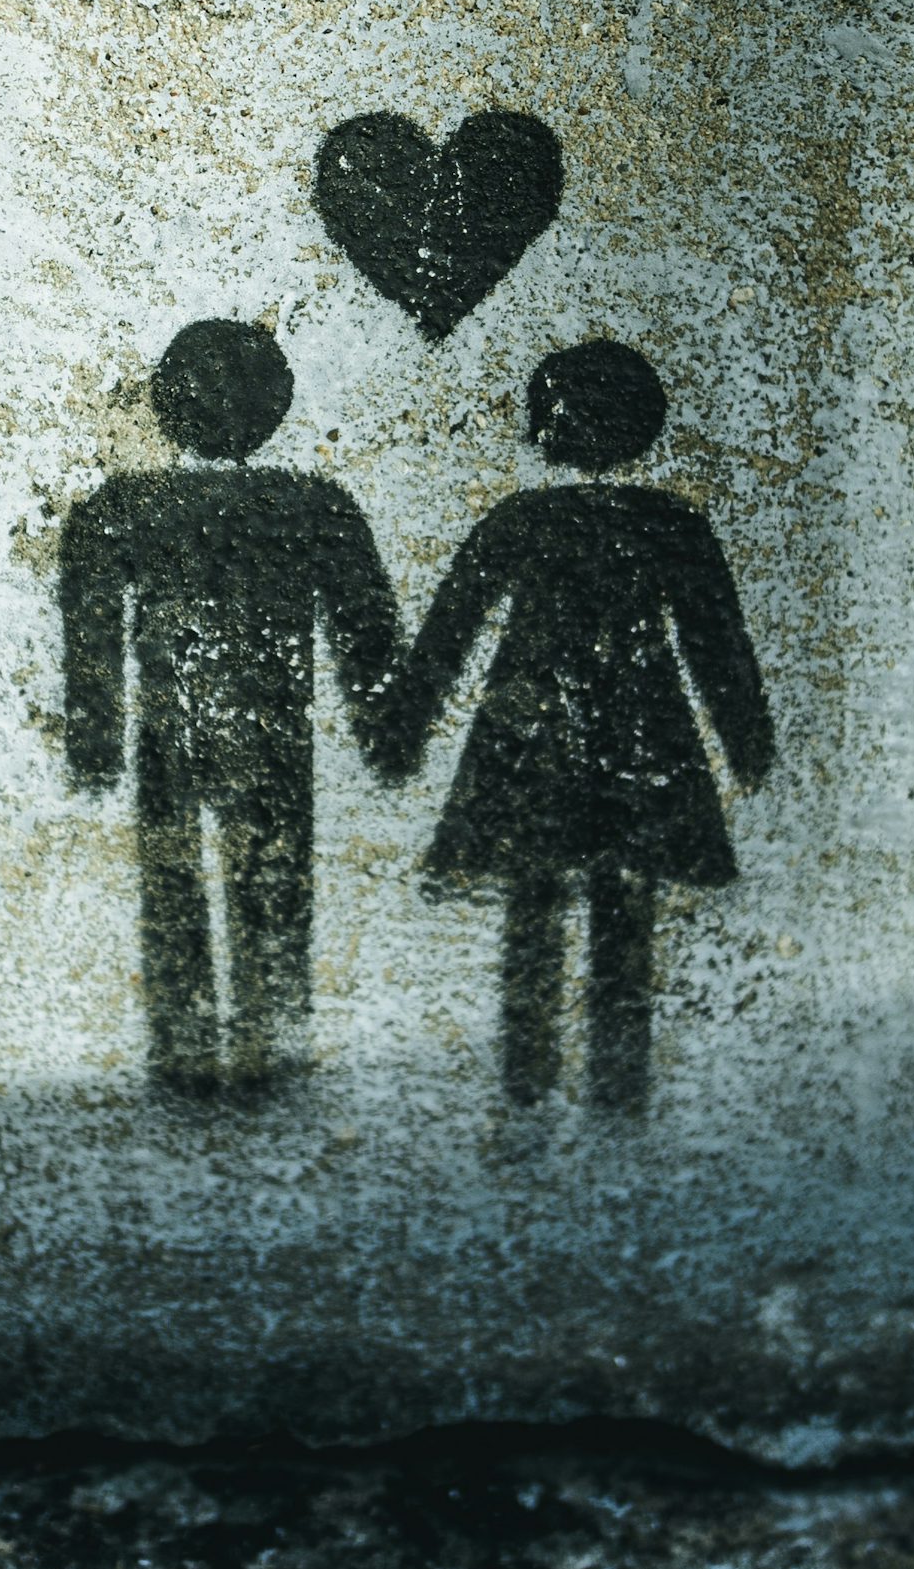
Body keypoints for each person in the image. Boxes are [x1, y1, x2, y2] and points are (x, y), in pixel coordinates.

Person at [377, 341, 771, 1112]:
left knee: (534, 908)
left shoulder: (520, 520)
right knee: (623, 909)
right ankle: (616, 1089)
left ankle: (528, 1085)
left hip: (531, 733)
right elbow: (717, 644)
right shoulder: (673, 525)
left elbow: (449, 634)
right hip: (641, 730)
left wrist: (403, 728)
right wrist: (747, 743)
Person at [59, 319, 402, 1093]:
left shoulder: (122, 506)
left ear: (167, 405)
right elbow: (367, 633)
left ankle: (185, 1057)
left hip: (170, 725)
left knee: (174, 888)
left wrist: (94, 743)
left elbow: (92, 634)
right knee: (273, 885)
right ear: (272, 406)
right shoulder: (318, 505)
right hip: (273, 723)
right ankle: (270, 1056)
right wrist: (388, 732)